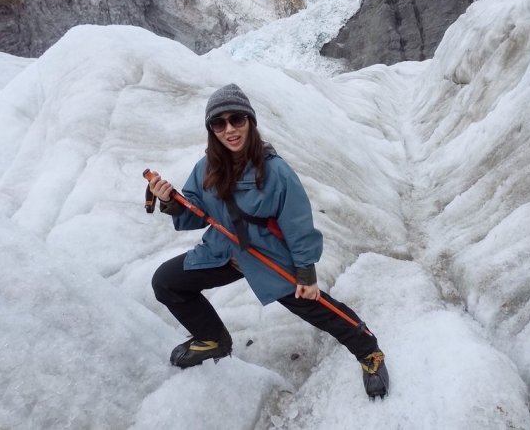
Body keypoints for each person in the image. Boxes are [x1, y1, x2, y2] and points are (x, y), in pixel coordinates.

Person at [149, 83, 389, 398]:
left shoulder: (275, 171)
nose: (229, 129)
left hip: (266, 255)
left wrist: (305, 271)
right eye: (219, 123)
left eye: (237, 119)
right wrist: (170, 201)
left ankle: (368, 351)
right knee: (167, 282)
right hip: (225, 251)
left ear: (249, 121)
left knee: (313, 305)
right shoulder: (206, 167)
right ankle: (213, 340)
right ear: (212, 129)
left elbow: (298, 222)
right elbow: (196, 213)